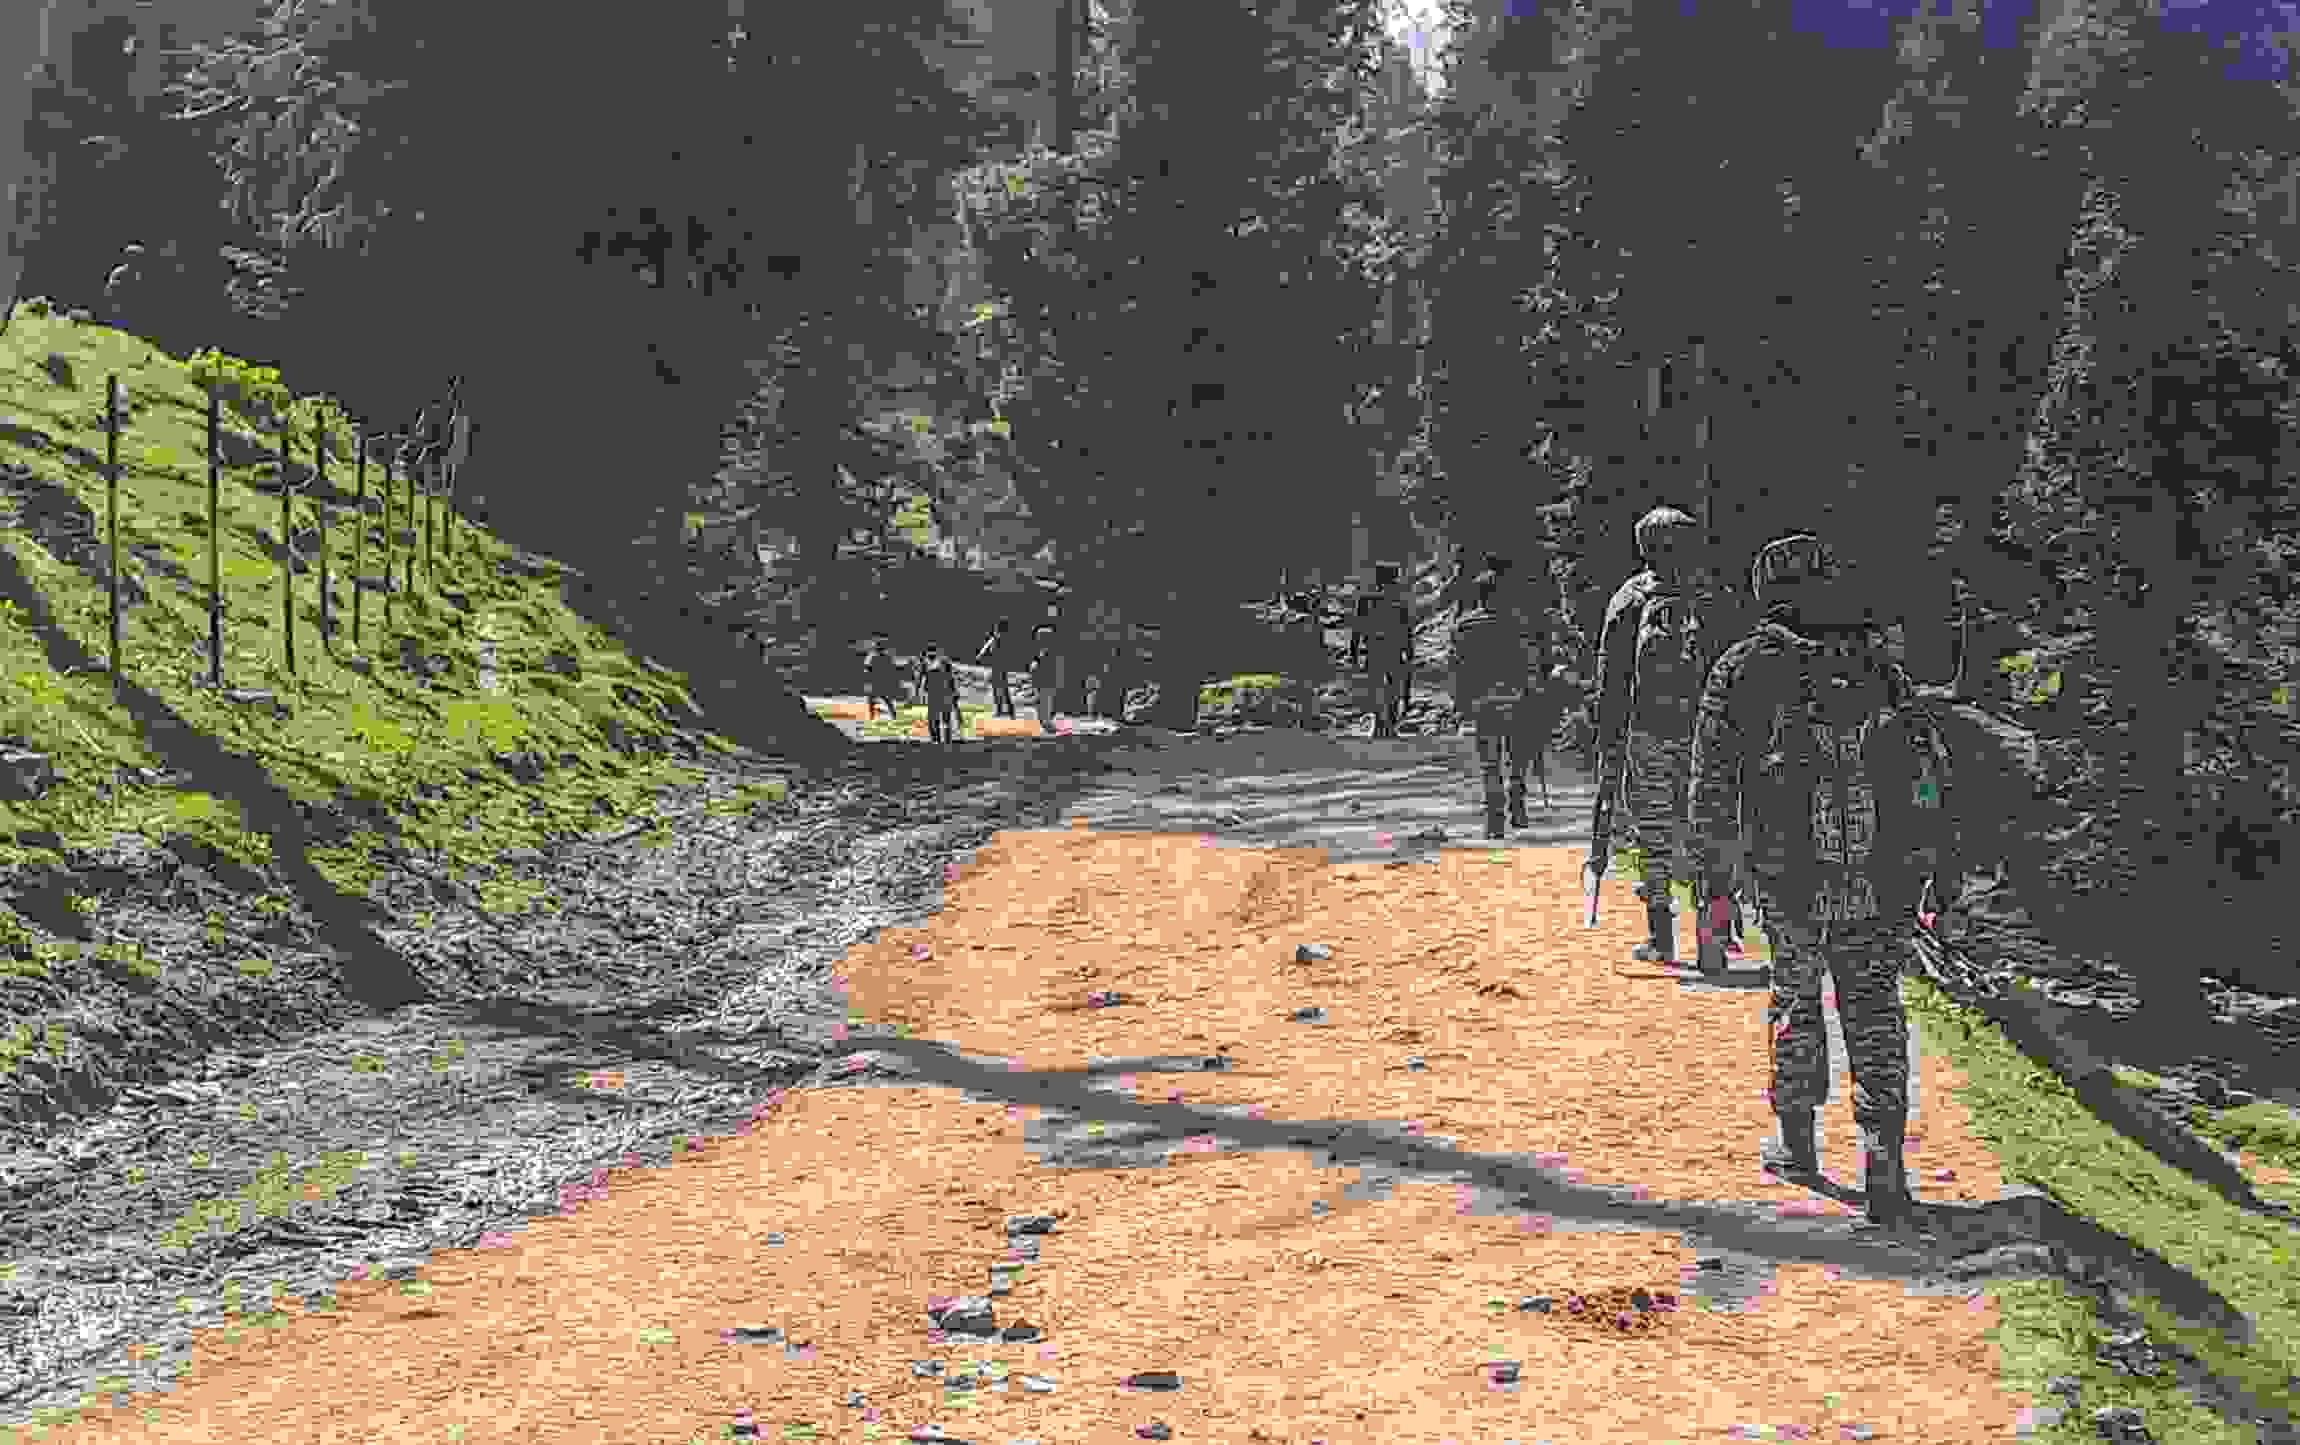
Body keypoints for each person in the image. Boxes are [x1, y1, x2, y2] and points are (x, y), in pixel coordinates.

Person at [1687, 532, 1956, 1228]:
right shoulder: (1877, 666)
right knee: (1875, 1009)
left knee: (1796, 1000)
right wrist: (1934, 866)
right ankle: (1884, 1165)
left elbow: (1711, 785)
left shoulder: (1742, 667)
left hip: (1787, 878)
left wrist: (1715, 883)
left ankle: (1798, 1143)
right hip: (1879, 877)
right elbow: (1928, 772)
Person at [1592, 506, 1716, 963]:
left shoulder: (1629, 599)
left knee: (1654, 832)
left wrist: (1608, 740)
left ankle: (1661, 939)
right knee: (1708, 829)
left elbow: (1611, 678)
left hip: (1648, 731)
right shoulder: (1711, 597)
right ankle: (1713, 941)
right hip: (1705, 733)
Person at [1448, 552, 1553, 839]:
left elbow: (1457, 668)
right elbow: (1533, 662)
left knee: (1490, 761)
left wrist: (1460, 701)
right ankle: (1517, 804)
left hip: (1484, 703)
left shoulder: (1464, 627)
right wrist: (1538, 690)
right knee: (1518, 758)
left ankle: (1494, 816)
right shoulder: (1521, 625)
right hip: (1518, 700)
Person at [1351, 562, 1413, 738]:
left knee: (1377, 687)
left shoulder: (1366, 599)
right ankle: (1390, 726)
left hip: (1375, 650)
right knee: (1393, 689)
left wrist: (1354, 651)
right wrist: (1409, 651)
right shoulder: (1399, 600)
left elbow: (1358, 627)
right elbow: (1406, 628)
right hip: (1394, 650)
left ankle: (1379, 725)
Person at [916, 643, 961, 743]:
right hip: (936, 693)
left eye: (932, 652)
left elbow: (951, 677)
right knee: (937, 719)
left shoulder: (941, 662)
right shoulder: (927, 663)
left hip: (941, 693)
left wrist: (954, 691)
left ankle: (943, 740)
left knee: (942, 719)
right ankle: (938, 740)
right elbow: (919, 678)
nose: (931, 654)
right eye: (930, 652)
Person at [977, 617, 1020, 718]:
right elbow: (989, 647)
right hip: (999, 667)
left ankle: (1004, 710)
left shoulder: (999, 638)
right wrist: (982, 654)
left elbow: (989, 647)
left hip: (999, 667)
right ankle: (1007, 710)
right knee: (1002, 689)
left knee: (1000, 689)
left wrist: (981, 655)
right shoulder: (1001, 638)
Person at [1029, 623, 1063, 735]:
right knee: (1041, 705)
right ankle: (1046, 724)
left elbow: (1051, 667)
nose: (1037, 639)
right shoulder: (1042, 651)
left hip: (1047, 683)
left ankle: (1048, 725)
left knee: (1045, 705)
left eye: (1040, 637)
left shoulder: (1050, 652)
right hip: (1042, 683)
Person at [862, 636, 905, 722]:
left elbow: (867, 669)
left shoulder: (872, 656)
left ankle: (873, 716)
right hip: (880, 681)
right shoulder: (885, 657)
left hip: (876, 682)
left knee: (873, 700)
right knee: (884, 699)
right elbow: (892, 669)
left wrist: (868, 680)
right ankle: (892, 715)